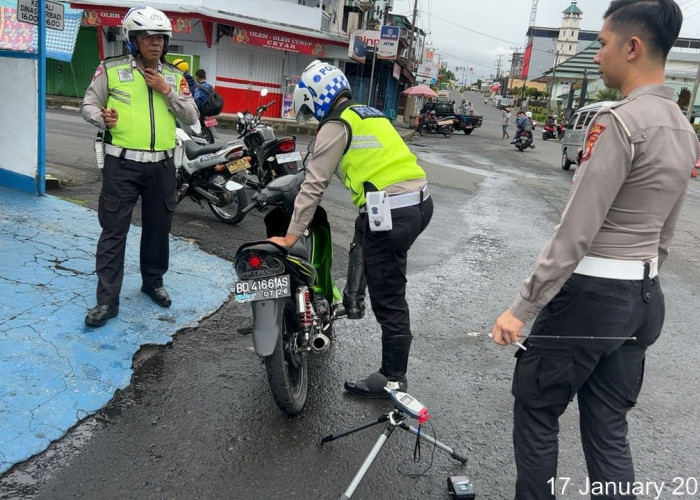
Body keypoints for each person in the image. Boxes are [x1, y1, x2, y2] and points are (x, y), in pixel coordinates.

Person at [491, 1, 698, 498]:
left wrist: (523, 306)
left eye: (602, 43)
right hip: (643, 297)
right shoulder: (683, 131)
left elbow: (576, 230)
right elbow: (665, 234)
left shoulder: (621, 123)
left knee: (538, 406)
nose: (598, 53)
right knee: (607, 423)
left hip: (591, 297)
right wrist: (640, 281)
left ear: (633, 47)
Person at [268, 60, 433, 398]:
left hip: (393, 212)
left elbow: (313, 185)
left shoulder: (335, 124)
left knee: (390, 298)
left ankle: (393, 379)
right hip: (417, 202)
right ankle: (354, 299)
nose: (313, 117)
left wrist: (290, 236)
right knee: (363, 233)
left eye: (310, 109)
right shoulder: (367, 113)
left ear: (316, 98)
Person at [81, 6, 198, 327]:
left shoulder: (174, 76)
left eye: (161, 37)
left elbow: (191, 116)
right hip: (121, 165)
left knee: (159, 230)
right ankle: (107, 301)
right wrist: (100, 117)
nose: (156, 43)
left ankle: (153, 282)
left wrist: (167, 91)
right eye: (148, 36)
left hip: (161, 167)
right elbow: (89, 104)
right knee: (113, 232)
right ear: (133, 39)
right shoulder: (111, 70)